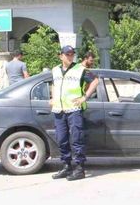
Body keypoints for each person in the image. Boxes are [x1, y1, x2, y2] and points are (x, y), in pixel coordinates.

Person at [50, 45, 90, 181]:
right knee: (61, 139)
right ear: (61, 56)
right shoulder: (55, 70)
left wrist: (84, 97)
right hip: (59, 109)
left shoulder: (80, 69)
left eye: (72, 54)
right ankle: (66, 166)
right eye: (67, 54)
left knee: (77, 139)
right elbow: (54, 85)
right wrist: (52, 97)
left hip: (74, 109)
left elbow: (95, 80)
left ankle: (79, 168)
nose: (70, 56)